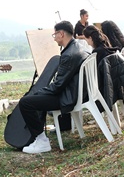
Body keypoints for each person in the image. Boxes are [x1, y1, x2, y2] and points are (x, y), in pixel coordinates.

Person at [18, 21, 87, 154]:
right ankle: (38, 138)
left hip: (68, 97)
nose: (54, 38)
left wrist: (38, 92)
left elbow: (57, 87)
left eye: (54, 34)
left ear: (61, 34)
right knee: (38, 98)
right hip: (75, 93)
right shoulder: (78, 47)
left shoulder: (69, 54)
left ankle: (42, 141)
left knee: (26, 102)